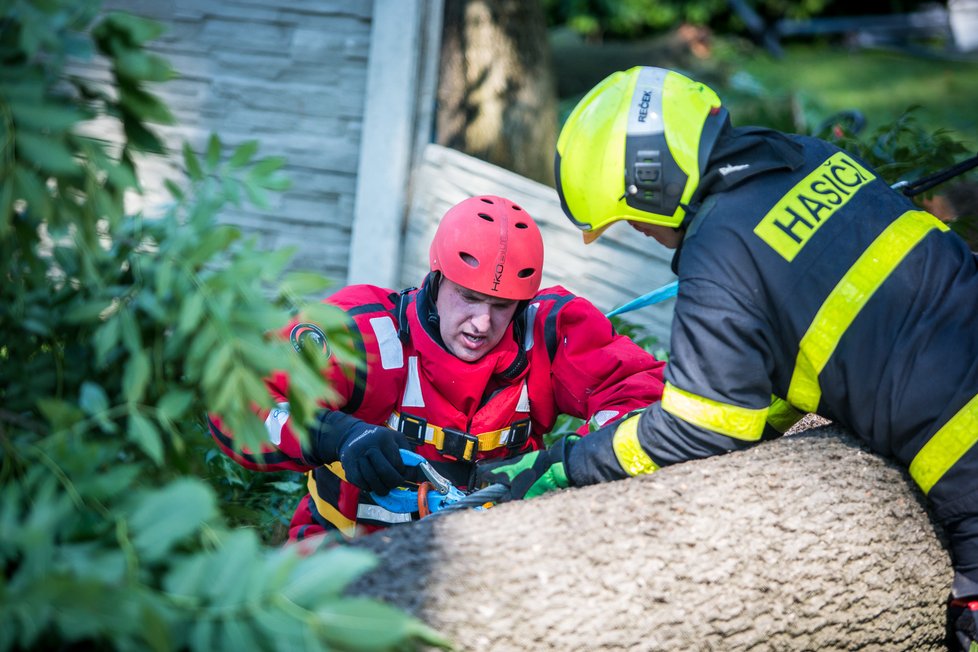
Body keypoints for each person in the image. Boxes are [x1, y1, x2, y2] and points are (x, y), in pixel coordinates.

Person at [474, 66, 978, 650]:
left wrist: (572, 461)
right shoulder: (808, 157)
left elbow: (705, 426)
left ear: (649, 179)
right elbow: (823, 334)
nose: (639, 231)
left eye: (629, 216)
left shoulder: (720, 248)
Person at [209, 194, 666, 541]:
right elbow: (236, 399)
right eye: (468, 297)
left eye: (502, 306)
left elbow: (646, 394)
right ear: (437, 277)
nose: (482, 323)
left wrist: (574, 460)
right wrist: (336, 435)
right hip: (343, 551)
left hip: (497, 554)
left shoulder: (548, 333)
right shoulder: (363, 333)